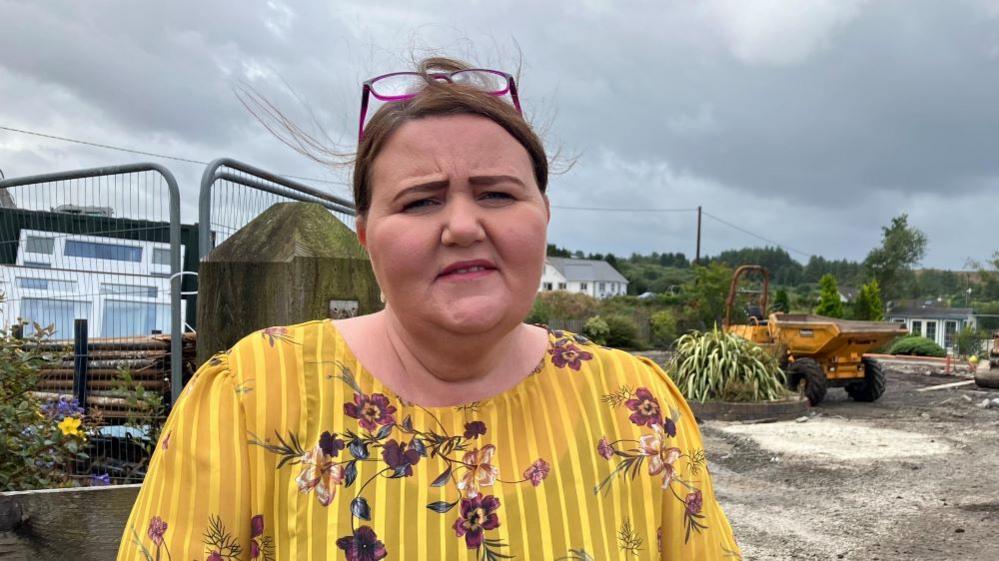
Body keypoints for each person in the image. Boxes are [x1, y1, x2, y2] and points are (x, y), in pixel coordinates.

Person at [117, 57, 741, 561]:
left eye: (497, 193)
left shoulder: (637, 407)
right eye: (421, 201)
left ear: (544, 217)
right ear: (366, 238)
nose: (463, 225)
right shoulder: (253, 397)